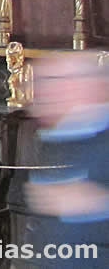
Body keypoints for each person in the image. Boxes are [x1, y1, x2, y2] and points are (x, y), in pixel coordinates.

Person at [26, 53, 109, 264]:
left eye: (56, 82)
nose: (45, 93)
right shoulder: (56, 137)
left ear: (91, 86)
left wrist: (96, 202)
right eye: (41, 83)